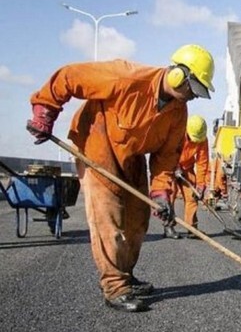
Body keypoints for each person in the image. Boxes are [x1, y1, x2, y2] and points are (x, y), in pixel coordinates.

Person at [27, 44, 215, 312]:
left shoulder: (178, 111)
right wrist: (45, 111)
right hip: (97, 145)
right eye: (192, 89)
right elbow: (69, 77)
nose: (193, 97)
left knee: (138, 220)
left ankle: (126, 273)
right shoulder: (126, 77)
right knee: (108, 218)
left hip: (132, 155)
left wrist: (161, 194)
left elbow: (166, 157)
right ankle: (114, 285)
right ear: (177, 75)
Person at [164, 115, 210, 239]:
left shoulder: (202, 139)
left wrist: (200, 185)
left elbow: (202, 162)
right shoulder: (177, 132)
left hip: (188, 168)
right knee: (170, 196)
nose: (195, 142)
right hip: (172, 166)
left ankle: (192, 228)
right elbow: (169, 151)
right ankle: (168, 226)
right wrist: (175, 166)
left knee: (192, 197)